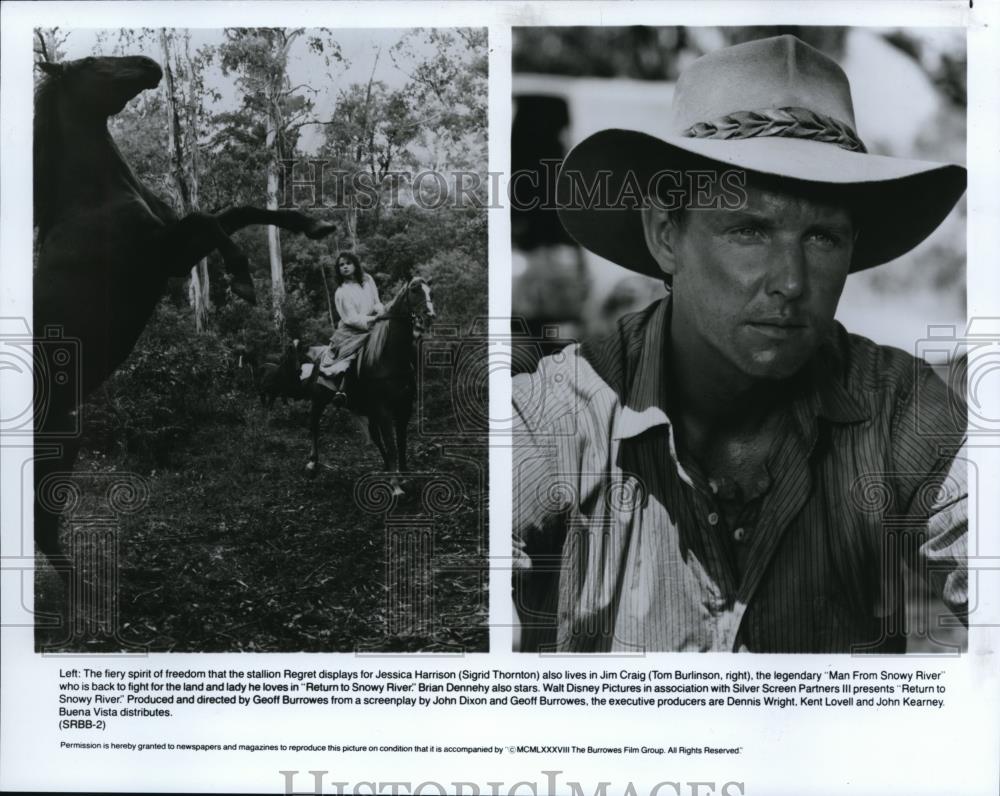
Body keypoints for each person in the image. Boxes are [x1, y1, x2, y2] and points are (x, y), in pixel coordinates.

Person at [512, 35, 968, 653]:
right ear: (667, 234)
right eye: (750, 230)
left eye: (822, 238)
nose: (790, 282)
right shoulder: (552, 419)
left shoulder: (898, 408)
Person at [318, 251, 384, 404]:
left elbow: (376, 301)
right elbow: (351, 318)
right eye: (341, 265)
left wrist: (380, 311)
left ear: (355, 264)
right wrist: (373, 319)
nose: (345, 267)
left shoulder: (368, 279)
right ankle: (343, 390)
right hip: (353, 329)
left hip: (376, 321)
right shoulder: (341, 292)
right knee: (351, 355)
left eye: (348, 263)